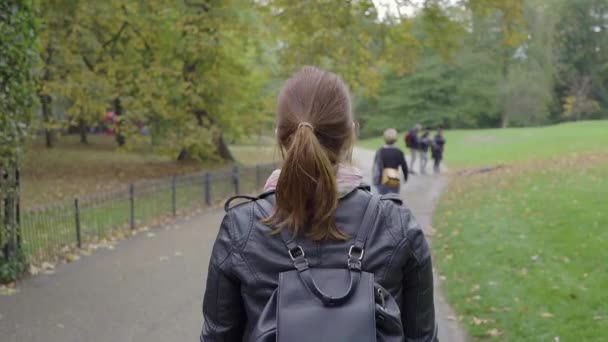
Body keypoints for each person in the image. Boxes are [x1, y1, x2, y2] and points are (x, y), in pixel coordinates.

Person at [200, 66, 437, 341]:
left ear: (280, 135)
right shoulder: (398, 225)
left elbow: (217, 336)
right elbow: (423, 337)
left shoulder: (241, 228)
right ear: (351, 133)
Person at [372, 128, 408, 194]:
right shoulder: (399, 152)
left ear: (384, 138)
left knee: (382, 200)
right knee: (394, 199)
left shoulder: (380, 151)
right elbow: (404, 166)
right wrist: (405, 177)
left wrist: (375, 181)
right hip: (394, 179)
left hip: (382, 179)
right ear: (395, 139)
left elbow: (376, 166)